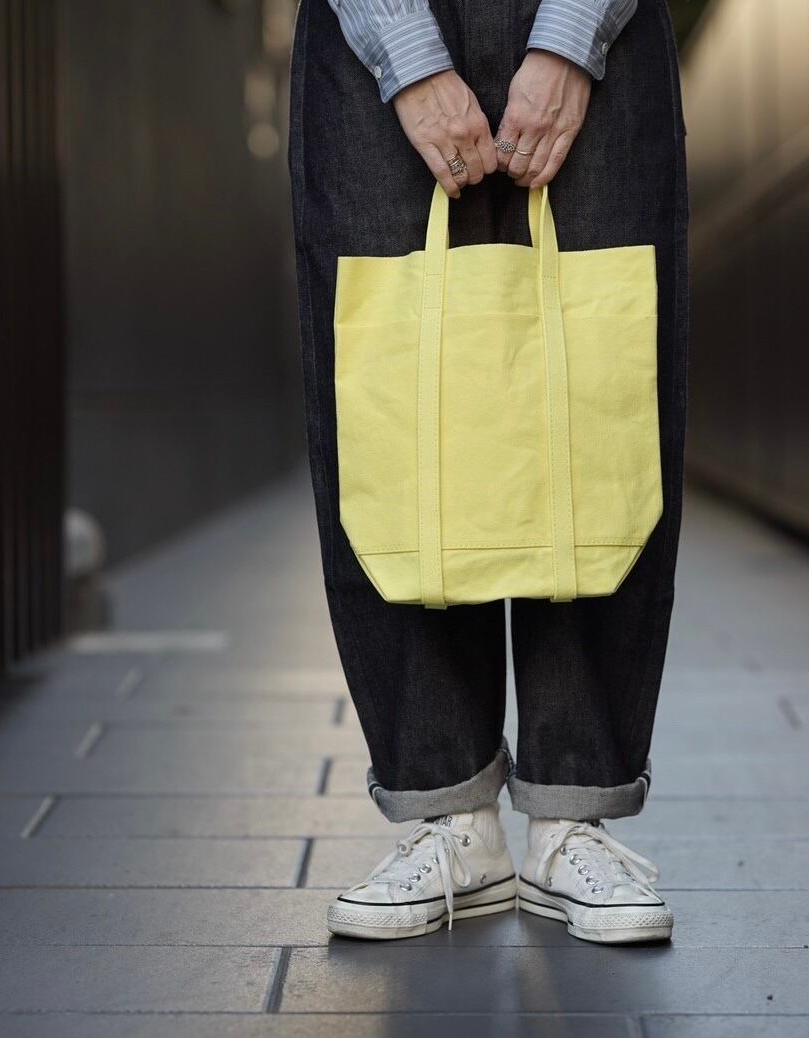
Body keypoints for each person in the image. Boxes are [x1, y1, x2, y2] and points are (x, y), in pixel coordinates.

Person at [288, 0, 688, 945]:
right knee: (390, 402)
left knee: (598, 393)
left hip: (601, 32)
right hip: (370, 31)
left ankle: (570, 815)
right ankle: (448, 817)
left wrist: (571, 35)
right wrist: (408, 51)